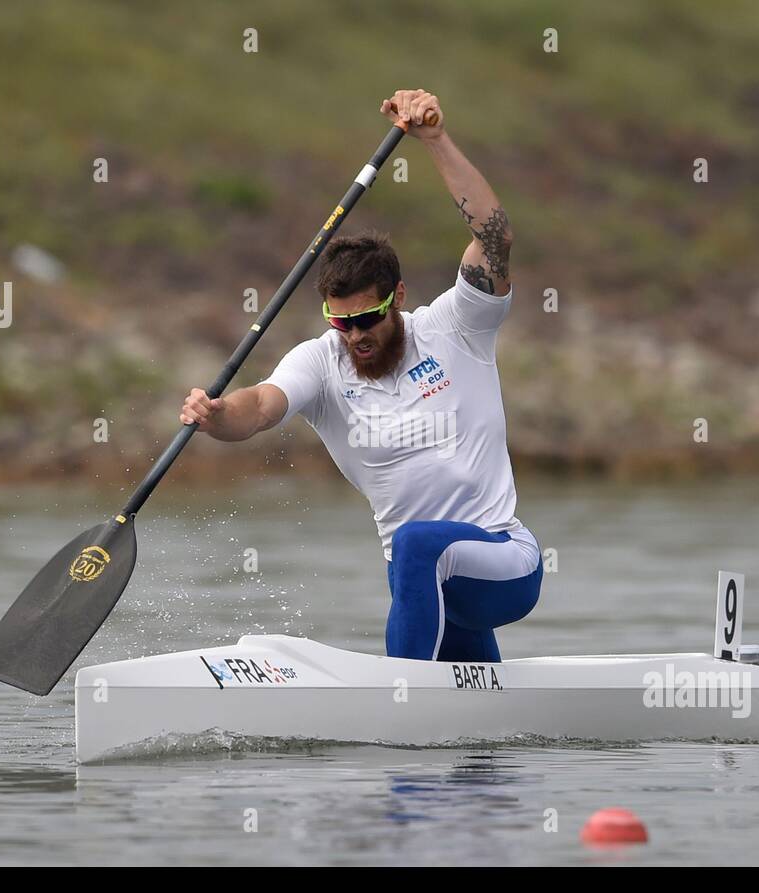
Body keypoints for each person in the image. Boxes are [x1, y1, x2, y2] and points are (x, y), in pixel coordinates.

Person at [180, 89, 540, 663]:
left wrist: (435, 141)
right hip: (430, 589)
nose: (356, 336)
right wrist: (217, 417)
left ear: (397, 297)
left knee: (415, 545)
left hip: (504, 561)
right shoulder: (321, 361)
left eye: (368, 318)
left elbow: (495, 240)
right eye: (341, 322)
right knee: (475, 742)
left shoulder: (457, 326)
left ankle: (399, 699)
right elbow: (262, 406)